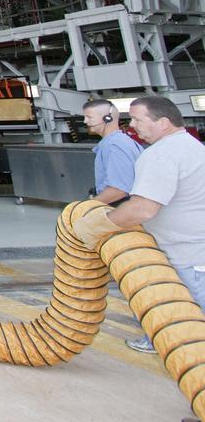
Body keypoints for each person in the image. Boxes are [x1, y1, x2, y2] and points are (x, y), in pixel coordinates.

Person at [74, 96, 205, 356]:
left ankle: (178, 349)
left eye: (137, 119)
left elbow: (141, 207)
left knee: (187, 310)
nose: (132, 125)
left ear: (163, 122)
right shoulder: (192, 146)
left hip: (183, 251)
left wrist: (94, 224)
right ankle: (163, 339)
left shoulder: (161, 154)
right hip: (195, 246)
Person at [82, 98, 143, 205]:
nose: (85, 121)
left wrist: (85, 207)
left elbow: (118, 190)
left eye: (89, 117)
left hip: (119, 207)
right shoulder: (119, 141)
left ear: (107, 118)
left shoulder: (114, 146)